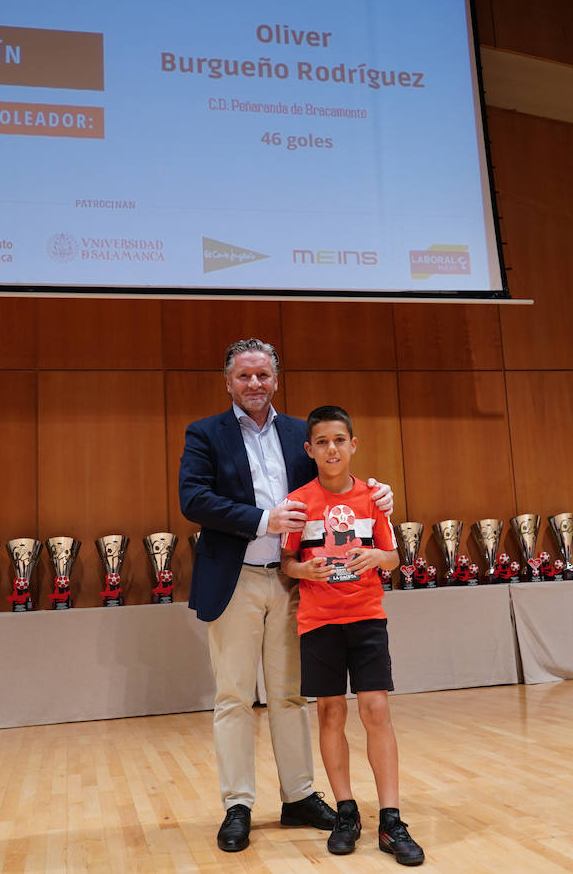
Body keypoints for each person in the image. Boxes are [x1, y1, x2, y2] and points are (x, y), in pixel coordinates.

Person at [178, 339, 393, 853]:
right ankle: (238, 804)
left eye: (263, 375)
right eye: (244, 376)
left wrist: (378, 491)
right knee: (234, 696)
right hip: (235, 579)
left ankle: (298, 796)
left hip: (295, 580)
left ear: (276, 379)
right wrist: (263, 520)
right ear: (227, 382)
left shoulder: (301, 433)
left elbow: (336, 479)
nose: (254, 384)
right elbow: (194, 499)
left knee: (291, 695)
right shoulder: (205, 433)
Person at [281, 405, 425, 866]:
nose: (332, 449)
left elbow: (393, 557)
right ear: (309, 450)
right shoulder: (298, 502)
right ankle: (346, 812)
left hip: (366, 617)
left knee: (376, 710)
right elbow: (287, 563)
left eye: (340, 440)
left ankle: (391, 819)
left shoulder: (374, 499)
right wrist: (303, 570)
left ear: (353, 445)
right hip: (319, 622)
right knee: (330, 713)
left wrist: (378, 559)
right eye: (322, 442)